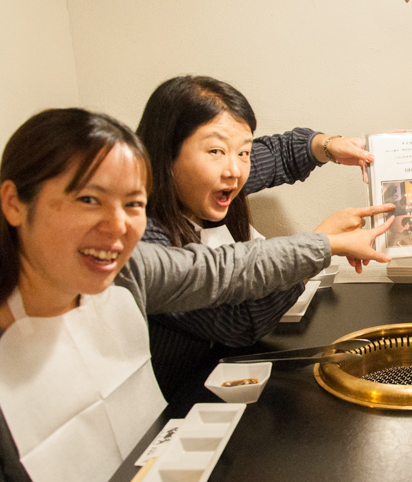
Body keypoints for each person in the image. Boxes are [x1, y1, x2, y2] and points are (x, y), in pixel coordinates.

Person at [0, 108, 392, 482]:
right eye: (89, 200)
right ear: (14, 203)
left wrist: (324, 242)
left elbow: (225, 269)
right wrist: (323, 243)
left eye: (133, 203)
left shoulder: (132, 268)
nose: (118, 225)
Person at [136, 75, 394, 399]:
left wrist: (328, 146)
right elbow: (238, 321)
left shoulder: (217, 179)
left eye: (243, 152)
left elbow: (282, 152)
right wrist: (322, 245)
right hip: (179, 400)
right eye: (215, 150)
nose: (234, 170)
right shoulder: (143, 238)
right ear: (166, 153)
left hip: (226, 372)